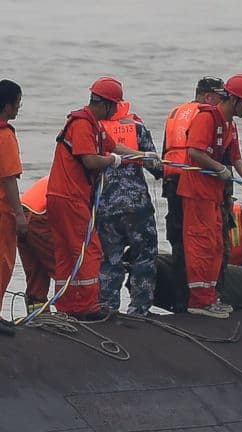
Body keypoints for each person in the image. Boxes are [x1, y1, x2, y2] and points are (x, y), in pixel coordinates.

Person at [46, 77, 157, 321]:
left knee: (67, 253)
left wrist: (139, 155)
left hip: (63, 197)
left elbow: (114, 146)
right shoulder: (83, 125)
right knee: (90, 250)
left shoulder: (94, 125)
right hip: (71, 197)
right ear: (106, 104)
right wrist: (112, 161)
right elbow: (90, 160)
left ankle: (67, 306)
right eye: (114, 105)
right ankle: (88, 307)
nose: (117, 110)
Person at [178, 73, 242, 319]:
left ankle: (208, 297)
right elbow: (195, 151)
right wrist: (218, 168)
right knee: (201, 245)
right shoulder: (207, 118)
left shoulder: (229, 124)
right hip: (197, 193)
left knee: (216, 245)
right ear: (235, 100)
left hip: (213, 195)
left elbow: (236, 159)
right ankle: (199, 300)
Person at [161, 77, 225, 312]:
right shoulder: (206, 115)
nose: (223, 101)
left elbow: (165, 150)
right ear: (209, 97)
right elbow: (208, 151)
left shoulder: (175, 113)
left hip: (172, 181)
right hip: (195, 181)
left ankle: (181, 301)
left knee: (180, 243)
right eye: (221, 96)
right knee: (205, 242)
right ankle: (204, 298)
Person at [97, 100, 161, 316]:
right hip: (137, 206)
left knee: (109, 259)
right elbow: (155, 166)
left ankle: (107, 307)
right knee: (144, 256)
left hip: (105, 207)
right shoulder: (137, 128)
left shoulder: (94, 129)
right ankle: (139, 309)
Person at [0, 79, 24, 334]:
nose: (19, 108)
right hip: (2, 211)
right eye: (18, 103)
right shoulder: (4, 136)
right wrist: (19, 214)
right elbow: (8, 178)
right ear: (7, 106)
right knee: (3, 261)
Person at [17, 177, 55, 315]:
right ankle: (76, 312)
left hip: (22, 216)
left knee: (37, 273)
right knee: (63, 268)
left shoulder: (55, 177)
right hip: (39, 218)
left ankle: (37, 315)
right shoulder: (77, 179)